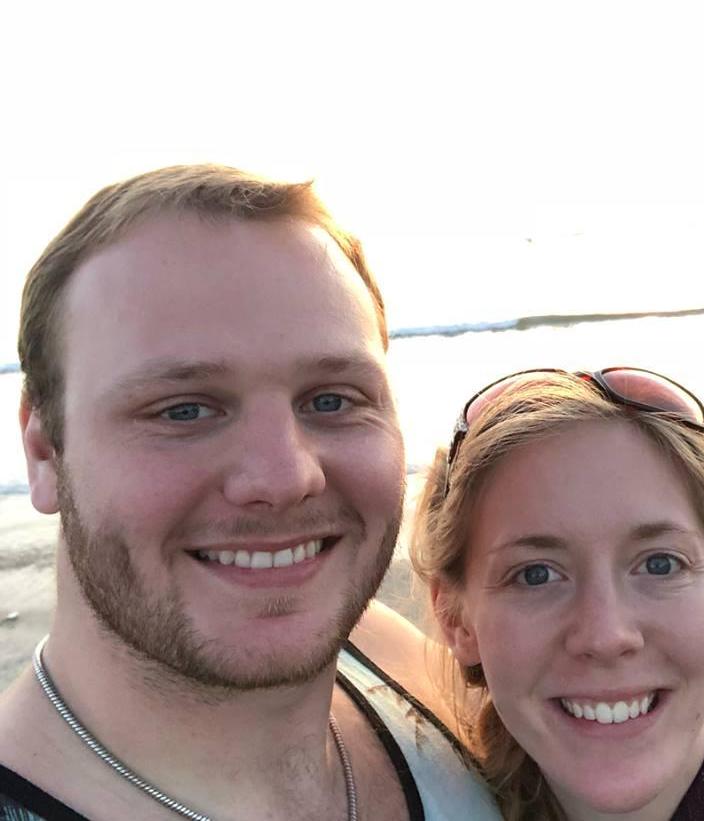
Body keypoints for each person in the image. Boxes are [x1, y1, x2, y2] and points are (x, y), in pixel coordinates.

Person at [0, 165, 501, 821]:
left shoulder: (384, 656)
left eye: (331, 400)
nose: (285, 478)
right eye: (183, 410)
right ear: (44, 450)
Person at [406, 368, 704, 820]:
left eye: (660, 564)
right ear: (456, 620)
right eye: (536, 575)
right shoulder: (440, 795)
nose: (606, 636)